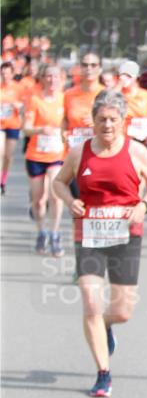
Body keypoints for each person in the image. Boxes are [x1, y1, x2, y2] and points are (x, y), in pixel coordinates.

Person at [52, 90, 147, 398]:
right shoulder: (79, 152)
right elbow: (58, 182)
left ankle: (104, 325)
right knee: (91, 301)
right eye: (101, 119)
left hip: (126, 234)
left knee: (123, 311)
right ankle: (103, 373)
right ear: (93, 120)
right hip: (88, 233)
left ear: (124, 121)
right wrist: (70, 200)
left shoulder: (137, 151)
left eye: (113, 119)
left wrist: (143, 205)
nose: (107, 125)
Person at [23, 62, 66, 255]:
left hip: (57, 154)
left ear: (60, 79)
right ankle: (41, 232)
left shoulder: (65, 100)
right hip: (35, 154)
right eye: (48, 76)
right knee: (39, 200)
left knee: (56, 195)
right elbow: (26, 128)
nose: (51, 80)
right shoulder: (34, 100)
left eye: (55, 76)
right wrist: (40, 129)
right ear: (42, 79)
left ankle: (55, 233)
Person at [117, 60, 147, 145]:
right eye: (121, 74)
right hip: (120, 141)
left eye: (128, 75)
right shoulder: (116, 94)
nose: (124, 78)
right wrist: (118, 86)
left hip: (141, 141)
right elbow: (106, 104)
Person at [62, 53, 102, 151]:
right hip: (73, 151)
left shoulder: (107, 94)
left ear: (100, 69)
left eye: (93, 65)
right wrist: (63, 134)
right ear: (79, 68)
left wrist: (98, 122)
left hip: (98, 150)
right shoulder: (68, 94)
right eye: (85, 65)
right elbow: (64, 120)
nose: (89, 68)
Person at [0, 60, 23, 195]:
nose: (5, 76)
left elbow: (24, 106)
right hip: (0, 125)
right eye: (3, 73)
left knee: (9, 156)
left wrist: (18, 105)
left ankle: (4, 180)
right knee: (0, 153)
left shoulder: (18, 88)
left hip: (13, 124)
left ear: (12, 74)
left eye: (7, 73)